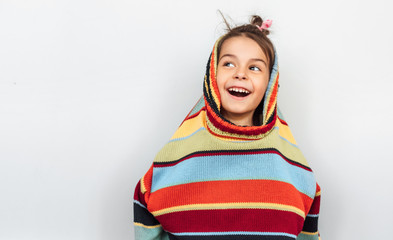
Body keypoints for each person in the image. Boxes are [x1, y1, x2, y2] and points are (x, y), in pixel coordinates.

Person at [133, 13, 322, 240]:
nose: (240, 74)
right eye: (229, 63)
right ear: (212, 74)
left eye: (255, 68)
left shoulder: (296, 171)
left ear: (271, 83)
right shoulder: (171, 163)